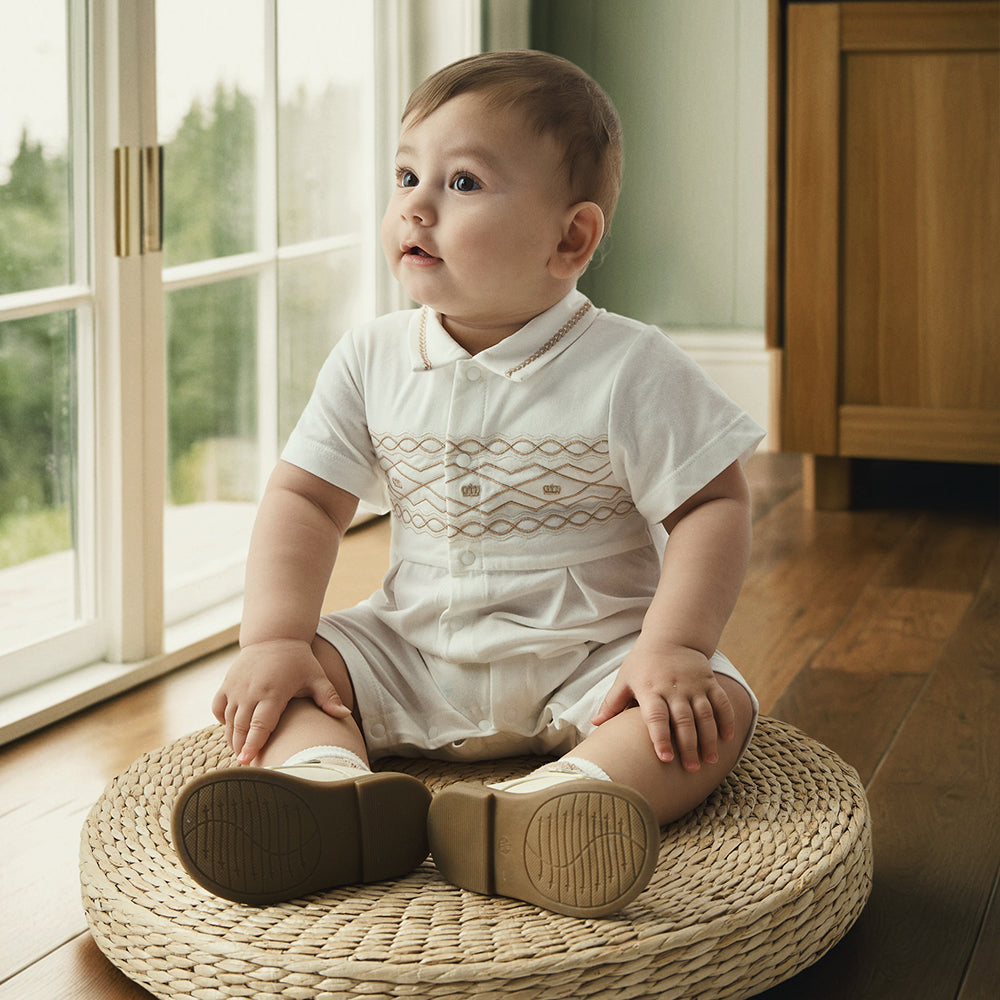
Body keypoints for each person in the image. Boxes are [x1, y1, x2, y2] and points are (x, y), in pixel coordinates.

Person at [172, 49, 764, 919]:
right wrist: (273, 637)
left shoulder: (630, 366)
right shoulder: (372, 357)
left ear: (572, 238)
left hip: (593, 655)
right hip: (413, 649)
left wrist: (672, 647)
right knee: (305, 674)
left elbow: (713, 503)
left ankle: (559, 805)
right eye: (407, 174)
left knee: (711, 707)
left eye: (463, 183)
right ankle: (327, 791)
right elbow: (306, 498)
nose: (415, 204)